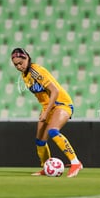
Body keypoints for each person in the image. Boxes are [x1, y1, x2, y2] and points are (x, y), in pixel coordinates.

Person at [11, 48, 83, 177]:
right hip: (48, 107)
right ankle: (46, 168)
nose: (19, 66)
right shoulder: (24, 75)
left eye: (20, 63)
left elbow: (54, 91)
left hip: (61, 103)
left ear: (27, 58)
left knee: (53, 131)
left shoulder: (35, 71)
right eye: (16, 64)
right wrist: (45, 110)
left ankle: (75, 162)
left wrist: (46, 112)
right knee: (40, 140)